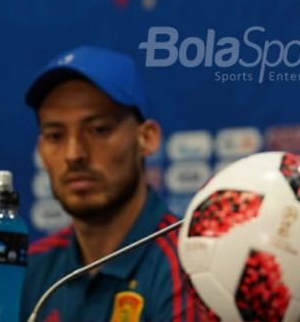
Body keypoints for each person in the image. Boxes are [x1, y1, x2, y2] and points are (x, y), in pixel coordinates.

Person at [19, 46, 200, 322]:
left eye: (98, 130)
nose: (73, 154)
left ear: (147, 138)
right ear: (41, 149)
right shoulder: (31, 270)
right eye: (55, 135)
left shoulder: (190, 265)